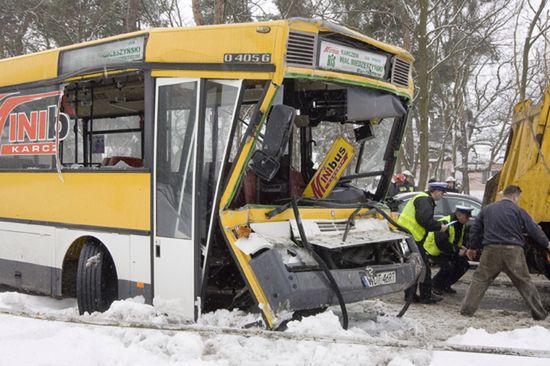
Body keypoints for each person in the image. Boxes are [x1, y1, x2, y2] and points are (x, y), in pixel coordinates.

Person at [460, 185, 550, 320]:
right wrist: (546, 243)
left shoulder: (487, 209)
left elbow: (476, 229)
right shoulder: (518, 211)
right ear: (515, 196)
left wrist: (472, 248)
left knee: (480, 280)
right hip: (513, 251)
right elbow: (533, 229)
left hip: (491, 250)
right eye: (518, 198)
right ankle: (539, 314)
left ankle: (467, 310)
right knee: (524, 282)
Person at [398, 181, 449, 304]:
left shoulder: (423, 199)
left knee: (414, 266)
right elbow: (424, 220)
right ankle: (425, 296)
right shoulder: (424, 200)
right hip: (412, 238)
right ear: (435, 191)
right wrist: (439, 227)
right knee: (423, 267)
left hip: (408, 237)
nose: (442, 196)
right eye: (442, 192)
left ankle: (410, 295)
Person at [424, 205, 473, 295]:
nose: (469, 219)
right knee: (449, 266)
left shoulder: (460, 224)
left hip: (448, 251)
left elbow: (456, 240)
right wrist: (457, 250)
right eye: (467, 216)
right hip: (434, 250)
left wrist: (463, 247)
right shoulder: (446, 222)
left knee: (463, 265)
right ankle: (435, 285)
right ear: (459, 215)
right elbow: (441, 243)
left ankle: (445, 285)